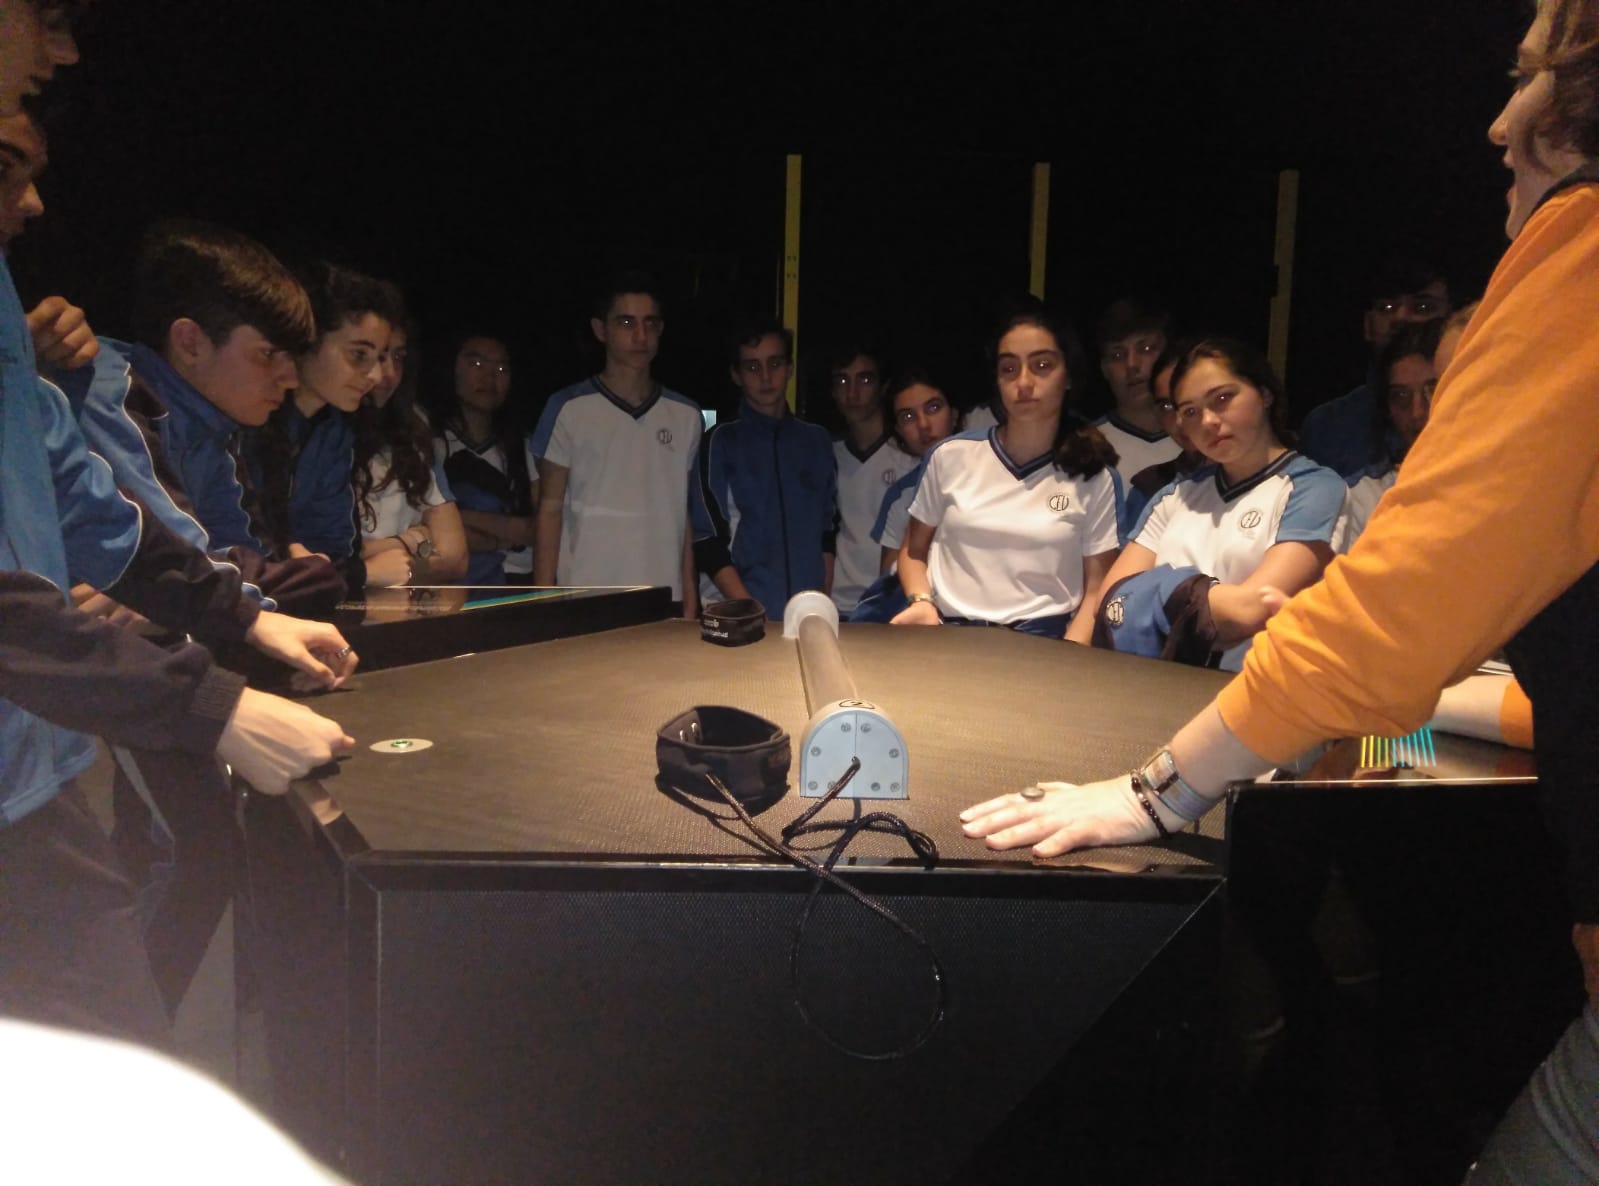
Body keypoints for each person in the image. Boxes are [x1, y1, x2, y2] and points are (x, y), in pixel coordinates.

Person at [962, 3, 1599, 1178]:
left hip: (1298, 750)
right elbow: (1133, 607)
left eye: (1529, 75)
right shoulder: (1173, 493)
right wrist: (1192, 608)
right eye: (1188, 408)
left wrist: (1156, 787)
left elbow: (1326, 623)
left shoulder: (1321, 484)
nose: (1500, 117)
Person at [0, 0, 356, 1048]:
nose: (63, 48)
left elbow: (82, 500)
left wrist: (244, 617)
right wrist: (212, 705)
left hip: (32, 767)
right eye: (45, 14)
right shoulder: (122, 379)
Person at [70, 220, 347, 619]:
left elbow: (235, 563)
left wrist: (301, 577)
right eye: (269, 354)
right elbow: (186, 573)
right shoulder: (110, 395)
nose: (290, 379)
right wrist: (311, 575)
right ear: (190, 342)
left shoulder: (210, 418)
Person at [1083, 338, 1345, 669]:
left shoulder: (1314, 488)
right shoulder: (1175, 496)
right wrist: (1199, 600)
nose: (1207, 421)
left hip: (1261, 688)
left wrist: (1163, 590)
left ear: (1264, 394)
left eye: (1222, 398)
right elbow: (1110, 606)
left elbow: (1251, 611)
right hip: (1159, 685)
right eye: (1190, 411)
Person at [891, 304, 1121, 640]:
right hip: (948, 637)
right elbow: (913, 551)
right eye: (1009, 369)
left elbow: (1096, 590)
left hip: (1044, 644)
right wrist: (921, 600)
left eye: (1042, 366)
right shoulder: (950, 456)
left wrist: (1071, 654)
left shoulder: (1094, 475)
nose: (1024, 382)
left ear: (1069, 375)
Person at [532, 271, 703, 609]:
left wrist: (689, 596)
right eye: (626, 322)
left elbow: (682, 514)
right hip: (585, 596)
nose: (641, 336)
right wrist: (541, 601)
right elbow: (549, 510)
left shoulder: (686, 415)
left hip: (662, 596)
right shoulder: (567, 407)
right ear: (601, 330)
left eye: (650, 323)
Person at [249, 262, 400, 591]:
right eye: (359, 355)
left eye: (380, 357)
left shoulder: (333, 431)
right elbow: (235, 549)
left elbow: (332, 546)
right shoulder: (246, 418)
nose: (376, 376)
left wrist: (313, 567)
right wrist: (360, 573)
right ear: (307, 341)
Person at [691, 316, 836, 614]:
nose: (766, 377)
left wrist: (820, 602)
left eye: (775, 363)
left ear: (790, 368)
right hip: (740, 614)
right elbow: (706, 540)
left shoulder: (817, 441)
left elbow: (827, 532)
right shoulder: (720, 441)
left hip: (806, 614)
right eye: (752, 367)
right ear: (736, 375)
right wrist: (751, 609)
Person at [1298, 254, 1451, 477]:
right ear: (1368, 324)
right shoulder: (1329, 425)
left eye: (1422, 306)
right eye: (1387, 307)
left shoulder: (1482, 404)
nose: (1401, 317)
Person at [353, 310, 468, 584]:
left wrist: (379, 563)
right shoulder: (321, 431)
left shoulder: (413, 429)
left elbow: (455, 556)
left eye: (398, 357)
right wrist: (411, 540)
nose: (389, 374)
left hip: (400, 603)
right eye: (377, 356)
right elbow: (315, 559)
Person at [848, 370, 961, 624]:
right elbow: (890, 582)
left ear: (954, 414)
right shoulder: (901, 496)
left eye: (933, 408)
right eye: (908, 417)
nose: (923, 425)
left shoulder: (990, 475)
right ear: (899, 431)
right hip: (930, 623)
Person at [433, 331, 536, 585]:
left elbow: (538, 528)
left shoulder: (525, 448)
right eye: (477, 364)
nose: (489, 378)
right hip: (450, 581)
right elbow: (422, 527)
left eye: (501, 369)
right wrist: (506, 532)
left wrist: (458, 518)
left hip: (515, 583)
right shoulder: (430, 443)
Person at [1334, 318, 1444, 550]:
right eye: (1401, 396)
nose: (1417, 412)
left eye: (1432, 390)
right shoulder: (1366, 497)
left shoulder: (1498, 479)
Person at [825, 344, 916, 615]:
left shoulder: (909, 456)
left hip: (890, 603)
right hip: (837, 603)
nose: (852, 393)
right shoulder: (828, 455)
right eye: (843, 381)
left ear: (883, 387)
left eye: (864, 380)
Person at [1092, 298, 1184, 485]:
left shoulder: (1200, 436)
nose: (1132, 364)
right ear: (1104, 369)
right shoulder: (1087, 447)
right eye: (1117, 355)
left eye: (1146, 349)